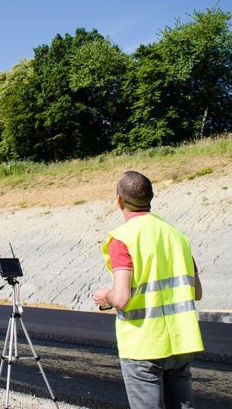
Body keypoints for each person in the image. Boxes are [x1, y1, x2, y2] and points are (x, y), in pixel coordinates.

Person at [93, 171, 203, 409]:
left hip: (144, 344)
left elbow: (121, 298)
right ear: (150, 197)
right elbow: (196, 292)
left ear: (119, 200)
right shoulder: (177, 236)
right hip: (180, 342)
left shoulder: (122, 238)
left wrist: (105, 297)